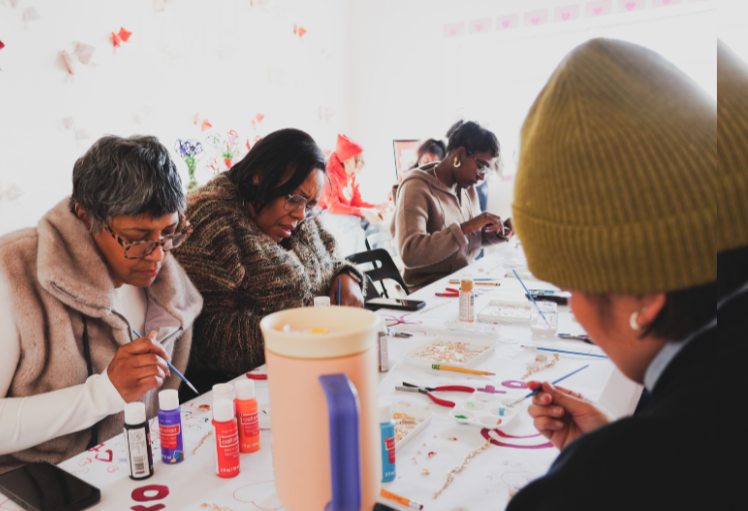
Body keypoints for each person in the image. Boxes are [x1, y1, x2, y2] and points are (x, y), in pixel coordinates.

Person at [506, 39, 736, 510]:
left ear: (646, 297)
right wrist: (615, 443)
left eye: (571, 287)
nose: (574, 310)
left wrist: (608, 463)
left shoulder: (593, 487)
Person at [0, 135, 202, 473]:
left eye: (169, 233)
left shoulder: (167, 288)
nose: (157, 256)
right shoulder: (13, 273)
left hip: (136, 471)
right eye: (136, 239)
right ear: (85, 216)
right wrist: (103, 394)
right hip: (37, 483)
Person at [173, 129, 366, 395]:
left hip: (310, 371)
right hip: (243, 393)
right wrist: (295, 333)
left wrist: (347, 276)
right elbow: (201, 335)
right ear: (259, 177)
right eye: (295, 199)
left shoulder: (299, 215)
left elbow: (331, 259)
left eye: (310, 205)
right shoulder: (208, 221)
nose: (301, 214)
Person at [391, 121, 513, 291]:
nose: (481, 177)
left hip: (461, 283)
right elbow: (410, 254)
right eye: (481, 167)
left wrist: (501, 231)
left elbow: (468, 240)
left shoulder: (466, 188)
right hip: (428, 291)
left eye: (487, 172)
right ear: (461, 154)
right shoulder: (416, 187)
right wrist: (465, 227)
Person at [318, 134, 392, 257]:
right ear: (346, 159)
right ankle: (357, 264)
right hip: (323, 213)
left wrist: (377, 207)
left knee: (374, 222)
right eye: (358, 158)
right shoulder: (330, 174)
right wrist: (362, 212)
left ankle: (378, 262)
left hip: (340, 211)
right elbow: (333, 207)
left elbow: (356, 203)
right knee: (354, 222)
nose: (362, 162)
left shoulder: (353, 175)